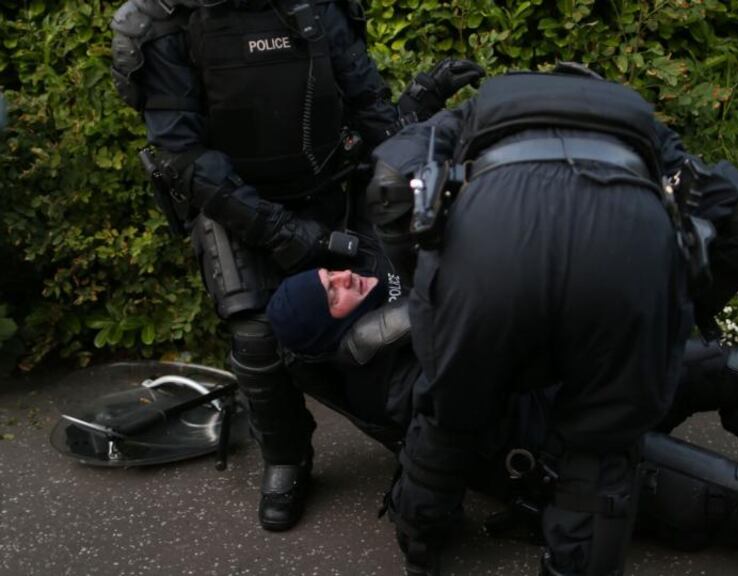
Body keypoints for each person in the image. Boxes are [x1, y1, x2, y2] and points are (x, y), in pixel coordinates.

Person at [364, 65, 738, 573]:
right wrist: (681, 307)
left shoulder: (472, 117)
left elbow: (391, 182)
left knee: (729, 369)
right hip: (587, 327)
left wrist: (432, 281)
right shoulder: (640, 133)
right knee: (605, 456)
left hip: (488, 286)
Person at [263, 264, 738, 576]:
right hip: (567, 453)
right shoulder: (404, 385)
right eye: (334, 288)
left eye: (334, 272)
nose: (349, 276)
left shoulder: (410, 310)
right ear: (341, 334)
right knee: (735, 494)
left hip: (585, 393)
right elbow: (428, 508)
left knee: (727, 368)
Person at [108, 0, 483, 532]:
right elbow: (183, 155)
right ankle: (286, 458)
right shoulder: (160, 21)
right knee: (257, 336)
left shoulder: (316, 4)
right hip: (234, 203)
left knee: (408, 289)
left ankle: (423, 435)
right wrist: (283, 233)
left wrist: (421, 99)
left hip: (333, 181)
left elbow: (367, 106)